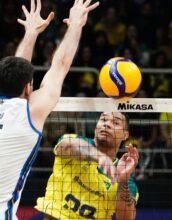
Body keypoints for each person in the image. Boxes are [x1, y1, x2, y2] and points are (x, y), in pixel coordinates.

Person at [0, 0, 99, 218]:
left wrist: (31, 33)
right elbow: (60, 66)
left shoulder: (19, 105)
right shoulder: (28, 113)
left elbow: (17, 71)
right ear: (28, 89)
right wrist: (75, 25)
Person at [35, 112, 139, 220]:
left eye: (115, 122)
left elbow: (126, 218)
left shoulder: (127, 181)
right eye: (103, 120)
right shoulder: (74, 141)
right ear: (96, 127)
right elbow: (66, 146)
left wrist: (123, 179)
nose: (107, 124)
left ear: (125, 135)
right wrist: (99, 156)